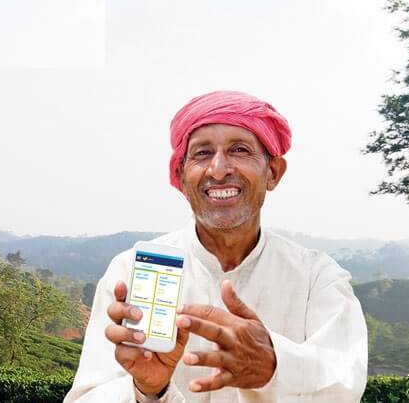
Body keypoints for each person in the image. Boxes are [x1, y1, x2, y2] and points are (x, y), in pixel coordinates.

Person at [65, 91, 367, 402]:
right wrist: (148, 391)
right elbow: (86, 396)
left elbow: (344, 381)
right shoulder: (128, 271)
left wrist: (275, 365)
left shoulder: (316, 277)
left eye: (239, 149)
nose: (219, 169)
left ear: (273, 172)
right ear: (181, 176)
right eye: (202, 153)